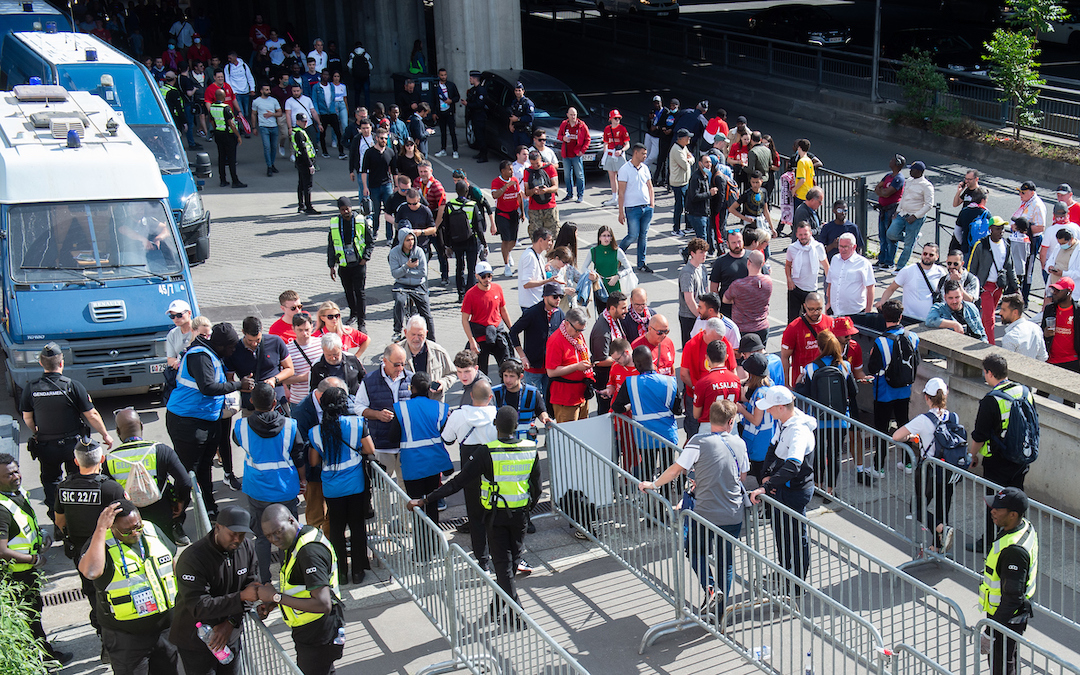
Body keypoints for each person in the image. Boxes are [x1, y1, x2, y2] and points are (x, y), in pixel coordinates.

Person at [640, 400, 747, 610]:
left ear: (709, 419)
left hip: (705, 513)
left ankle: (711, 588)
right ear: (731, 422)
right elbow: (741, 476)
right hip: (733, 511)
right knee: (726, 560)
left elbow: (675, 470)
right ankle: (720, 607)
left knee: (695, 551)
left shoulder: (698, 441)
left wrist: (652, 484)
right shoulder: (739, 443)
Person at [167, 323, 253, 520]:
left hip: (206, 420)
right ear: (222, 345)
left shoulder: (212, 354)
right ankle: (175, 519)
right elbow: (207, 387)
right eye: (231, 348)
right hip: (187, 422)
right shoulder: (199, 355)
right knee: (186, 473)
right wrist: (240, 385)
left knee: (205, 467)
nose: (232, 352)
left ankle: (209, 508)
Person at [20, 342, 113, 523]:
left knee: (51, 483)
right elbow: (91, 414)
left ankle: (57, 520)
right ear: (61, 363)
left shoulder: (31, 388)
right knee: (78, 480)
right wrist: (105, 435)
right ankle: (78, 518)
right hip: (73, 446)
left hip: (46, 446)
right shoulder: (73, 385)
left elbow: (27, 418)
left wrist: (37, 432)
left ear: (40, 362)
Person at [50, 439, 126, 647]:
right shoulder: (111, 488)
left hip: (81, 553)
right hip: (110, 551)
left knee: (93, 594)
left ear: (76, 461)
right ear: (102, 459)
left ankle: (104, 638)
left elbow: (59, 521)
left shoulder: (64, 487)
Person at [257, 504, 346, 675]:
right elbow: (300, 585)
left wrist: (276, 597)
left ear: (291, 520)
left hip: (318, 631)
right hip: (311, 630)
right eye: (269, 536)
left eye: (278, 531)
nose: (275, 539)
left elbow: (323, 604)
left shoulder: (308, 552)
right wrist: (275, 604)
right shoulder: (295, 539)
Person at [170, 506, 261, 675]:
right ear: (217, 527)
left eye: (241, 535)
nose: (237, 539)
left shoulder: (246, 547)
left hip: (229, 637)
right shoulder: (192, 558)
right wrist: (240, 596)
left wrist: (230, 623)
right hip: (195, 641)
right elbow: (199, 606)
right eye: (232, 533)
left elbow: (253, 587)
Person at [232, 383, 305, 583]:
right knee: (288, 536)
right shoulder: (290, 425)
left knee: (262, 537)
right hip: (285, 490)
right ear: (275, 402)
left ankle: (264, 579)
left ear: (252, 401)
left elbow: (238, 441)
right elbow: (298, 456)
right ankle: (288, 576)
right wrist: (303, 479)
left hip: (257, 491)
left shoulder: (241, 426)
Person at [967, 354, 1039, 554]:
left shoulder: (991, 400)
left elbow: (979, 435)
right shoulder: (1025, 391)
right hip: (1021, 457)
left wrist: (973, 456)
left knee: (995, 503)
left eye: (985, 371)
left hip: (997, 460)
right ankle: (1018, 537)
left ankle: (990, 541)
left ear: (990, 373)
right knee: (1017, 499)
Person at [747, 386, 817, 586]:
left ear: (780, 407)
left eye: (770, 408)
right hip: (783, 487)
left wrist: (766, 487)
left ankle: (797, 583)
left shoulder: (798, 430)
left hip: (795, 490)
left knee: (795, 536)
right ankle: (785, 570)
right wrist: (767, 478)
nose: (767, 411)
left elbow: (793, 465)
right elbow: (772, 448)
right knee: (780, 531)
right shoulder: (784, 421)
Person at [308, 386, 373, 585]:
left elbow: (313, 462)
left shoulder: (315, 432)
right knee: (357, 526)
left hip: (331, 487)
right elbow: (370, 449)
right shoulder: (357, 423)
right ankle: (358, 570)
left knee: (336, 529)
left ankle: (341, 573)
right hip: (355, 485)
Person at [891, 378, 960, 553]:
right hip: (949, 470)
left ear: (926, 398)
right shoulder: (953, 417)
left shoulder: (923, 420)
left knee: (918, 507)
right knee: (942, 508)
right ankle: (937, 546)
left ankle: (942, 530)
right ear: (946, 395)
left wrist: (911, 437)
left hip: (929, 470)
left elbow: (896, 436)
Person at [108, 408, 192, 546]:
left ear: (117, 431)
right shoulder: (161, 450)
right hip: (163, 512)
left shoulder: (110, 459)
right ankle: (176, 528)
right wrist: (180, 504)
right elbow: (185, 482)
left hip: (130, 520)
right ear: (141, 426)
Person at [978, 487, 1038, 675]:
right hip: (1007, 614)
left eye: (998, 509)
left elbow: (1012, 597)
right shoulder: (1023, 526)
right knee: (1006, 659)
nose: (992, 511)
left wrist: (991, 631)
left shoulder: (1013, 550)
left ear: (1013, 515)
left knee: (1002, 665)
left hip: (1005, 616)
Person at [795, 331, 860, 498]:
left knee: (817, 453)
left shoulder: (811, 368)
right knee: (835, 454)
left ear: (819, 346)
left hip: (818, 419)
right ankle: (830, 491)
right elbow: (854, 391)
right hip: (840, 419)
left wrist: (797, 384)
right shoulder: (844, 366)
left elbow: (807, 393)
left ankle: (818, 485)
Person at [865, 299, 918, 478]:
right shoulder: (913, 337)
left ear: (883, 317)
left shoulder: (881, 341)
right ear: (901, 316)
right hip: (905, 389)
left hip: (884, 392)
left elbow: (873, 368)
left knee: (881, 428)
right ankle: (908, 462)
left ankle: (879, 467)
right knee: (904, 424)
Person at [394, 373, 452, 525]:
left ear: (411, 388)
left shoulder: (401, 408)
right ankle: (435, 543)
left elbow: (392, 437)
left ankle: (422, 545)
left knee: (416, 506)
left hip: (411, 466)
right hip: (433, 465)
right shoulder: (440, 408)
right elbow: (447, 436)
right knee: (431, 504)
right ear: (429, 388)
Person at [357, 344, 412, 485]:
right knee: (382, 486)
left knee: (406, 485)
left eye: (403, 364)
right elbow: (358, 407)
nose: (400, 369)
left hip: (406, 444)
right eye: (397, 365)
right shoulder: (369, 381)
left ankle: (405, 509)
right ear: (385, 361)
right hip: (382, 445)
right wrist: (377, 414)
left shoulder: (411, 378)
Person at [510, 282, 565, 393]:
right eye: (555, 296)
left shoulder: (560, 313)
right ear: (545, 297)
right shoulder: (532, 313)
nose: (558, 299)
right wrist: (522, 356)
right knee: (533, 398)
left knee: (547, 399)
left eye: (560, 296)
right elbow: (513, 332)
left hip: (551, 367)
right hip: (533, 366)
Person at [461, 261, 512, 375]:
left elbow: (503, 310)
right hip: (481, 336)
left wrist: (511, 329)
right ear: (477, 276)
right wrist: (472, 341)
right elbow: (464, 319)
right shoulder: (470, 294)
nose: (487, 279)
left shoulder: (497, 288)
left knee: (507, 367)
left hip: (497, 332)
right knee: (481, 372)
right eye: (483, 276)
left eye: (489, 276)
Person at [883, 161, 935, 270]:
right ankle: (914, 238)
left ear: (919, 172)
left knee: (908, 245)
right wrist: (897, 211)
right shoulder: (909, 181)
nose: (910, 171)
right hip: (903, 213)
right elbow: (904, 197)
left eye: (913, 170)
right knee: (891, 234)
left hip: (915, 217)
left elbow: (929, 204)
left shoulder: (927, 185)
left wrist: (915, 216)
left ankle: (900, 267)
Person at [876, 243, 946, 322]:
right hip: (909, 318)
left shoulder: (940, 272)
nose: (927, 256)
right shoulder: (908, 270)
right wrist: (882, 302)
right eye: (925, 253)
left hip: (930, 319)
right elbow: (891, 288)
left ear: (937, 257)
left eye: (931, 255)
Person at [546, 308, 593, 423]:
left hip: (581, 394)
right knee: (568, 436)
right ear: (567, 324)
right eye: (577, 330)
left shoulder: (577, 336)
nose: (579, 333)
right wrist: (576, 367)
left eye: (582, 330)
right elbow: (551, 372)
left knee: (582, 433)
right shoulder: (556, 341)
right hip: (565, 398)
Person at [446, 181, 488, 303]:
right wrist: (484, 244)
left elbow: (446, 226)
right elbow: (479, 228)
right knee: (471, 268)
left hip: (456, 240)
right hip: (471, 240)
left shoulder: (450, 205)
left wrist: (448, 244)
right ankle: (470, 294)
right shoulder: (472, 205)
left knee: (459, 266)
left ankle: (460, 294)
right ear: (467, 191)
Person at [779, 292, 834, 386]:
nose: (816, 313)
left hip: (825, 378)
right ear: (804, 306)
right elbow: (785, 357)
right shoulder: (793, 327)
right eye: (811, 309)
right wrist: (787, 385)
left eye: (819, 309)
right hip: (803, 381)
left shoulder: (830, 322)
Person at [389, 230, 435, 341]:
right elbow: (395, 274)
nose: (411, 242)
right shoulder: (394, 253)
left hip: (418, 284)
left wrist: (404, 272)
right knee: (399, 301)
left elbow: (423, 273)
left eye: (412, 239)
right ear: (402, 241)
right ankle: (397, 331)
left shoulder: (419, 251)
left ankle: (431, 339)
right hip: (401, 284)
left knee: (426, 312)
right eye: (408, 240)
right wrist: (407, 266)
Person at [618, 143, 656, 273]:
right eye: (643, 153)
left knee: (643, 236)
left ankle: (641, 263)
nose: (645, 156)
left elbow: (650, 186)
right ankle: (616, 255)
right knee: (632, 235)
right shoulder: (624, 169)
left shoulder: (645, 168)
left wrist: (652, 204)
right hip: (632, 208)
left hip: (646, 208)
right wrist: (620, 212)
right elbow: (621, 192)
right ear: (636, 153)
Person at [402, 316, 457, 403]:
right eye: (413, 334)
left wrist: (443, 383)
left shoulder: (439, 352)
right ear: (405, 332)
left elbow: (452, 374)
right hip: (407, 406)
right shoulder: (396, 352)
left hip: (433, 405)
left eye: (420, 335)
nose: (416, 339)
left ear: (426, 333)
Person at [589, 292, 628, 415]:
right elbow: (600, 361)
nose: (626, 311)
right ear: (612, 308)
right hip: (604, 380)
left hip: (612, 378)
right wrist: (624, 358)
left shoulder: (612, 319)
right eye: (623, 308)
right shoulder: (603, 331)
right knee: (606, 413)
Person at [692, 340, 742, 435]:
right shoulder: (735, 380)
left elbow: (696, 414)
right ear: (726, 357)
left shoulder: (703, 383)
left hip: (709, 428)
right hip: (731, 427)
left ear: (707, 358)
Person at [724, 250, 772, 344]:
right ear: (762, 264)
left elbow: (725, 299)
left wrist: (736, 300)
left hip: (742, 328)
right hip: (762, 326)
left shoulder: (738, 285)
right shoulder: (768, 281)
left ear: (748, 262)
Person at [785, 221, 829, 322]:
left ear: (810, 233)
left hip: (811, 289)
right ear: (796, 235)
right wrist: (789, 279)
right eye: (800, 235)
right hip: (795, 288)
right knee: (793, 320)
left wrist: (829, 286)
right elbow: (788, 265)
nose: (803, 237)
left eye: (805, 234)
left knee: (812, 319)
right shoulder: (792, 248)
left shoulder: (818, 247)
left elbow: (826, 267)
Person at [825, 233, 874, 317]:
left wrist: (868, 311)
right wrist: (829, 303)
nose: (842, 249)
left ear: (854, 247)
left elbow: (870, 287)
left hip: (855, 312)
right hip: (835, 311)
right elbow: (831, 282)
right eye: (840, 246)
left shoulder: (863, 263)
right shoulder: (834, 259)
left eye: (846, 247)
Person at [491, 160, 525, 275]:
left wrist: (522, 212)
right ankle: (506, 266)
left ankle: (508, 253)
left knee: (513, 241)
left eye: (512, 169)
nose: (512, 171)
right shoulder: (496, 182)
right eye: (509, 169)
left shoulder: (515, 180)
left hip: (514, 213)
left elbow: (519, 196)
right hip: (502, 213)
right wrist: (505, 187)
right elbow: (495, 195)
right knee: (505, 240)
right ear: (503, 171)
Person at [1042, 276, 1080, 373]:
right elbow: (1040, 333)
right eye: (1053, 289)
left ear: (1069, 292)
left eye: (1058, 291)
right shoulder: (1049, 309)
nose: (1054, 293)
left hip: (1072, 362)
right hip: (1050, 361)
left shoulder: (1077, 312)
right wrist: (1044, 334)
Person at [209, 89, 245, 189]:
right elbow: (231, 124)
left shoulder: (212, 107)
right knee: (231, 159)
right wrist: (238, 135)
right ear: (223, 96)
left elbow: (212, 121)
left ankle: (223, 180)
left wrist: (217, 128)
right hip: (228, 135)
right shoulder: (226, 108)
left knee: (221, 157)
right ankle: (235, 181)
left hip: (218, 134)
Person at [999, 293, 1048, 361]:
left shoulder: (1010, 337)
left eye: (1004, 310)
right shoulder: (1036, 328)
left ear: (1015, 312)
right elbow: (1043, 357)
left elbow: (1006, 365)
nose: (1000, 313)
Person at [678, 238, 709, 344]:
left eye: (705, 252)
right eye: (701, 252)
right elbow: (689, 299)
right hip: (689, 317)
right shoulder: (687, 272)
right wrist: (701, 316)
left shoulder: (703, 268)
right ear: (692, 253)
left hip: (701, 314)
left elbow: (706, 291)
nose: (704, 254)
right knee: (690, 347)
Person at [523, 150, 559, 237]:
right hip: (534, 209)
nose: (535, 166)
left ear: (540, 159)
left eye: (537, 163)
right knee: (536, 236)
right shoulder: (527, 171)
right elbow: (527, 192)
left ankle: (550, 251)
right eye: (533, 164)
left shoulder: (549, 168)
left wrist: (546, 190)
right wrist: (533, 191)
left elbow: (555, 187)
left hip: (550, 207)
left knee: (553, 235)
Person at [558, 107, 589, 202]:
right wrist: (563, 138)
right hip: (566, 154)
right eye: (571, 115)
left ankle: (580, 195)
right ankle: (569, 194)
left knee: (579, 175)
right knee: (567, 175)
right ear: (567, 115)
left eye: (574, 114)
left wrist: (582, 151)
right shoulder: (564, 124)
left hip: (576, 154)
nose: (573, 116)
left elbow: (587, 139)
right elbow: (559, 136)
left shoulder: (582, 125)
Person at [669, 129, 694, 236]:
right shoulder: (676, 150)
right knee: (679, 206)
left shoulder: (684, 147)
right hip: (678, 183)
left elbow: (692, 158)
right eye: (687, 137)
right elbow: (685, 165)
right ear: (681, 138)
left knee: (687, 205)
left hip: (685, 181)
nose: (689, 139)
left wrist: (690, 159)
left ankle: (688, 226)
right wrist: (689, 160)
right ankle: (676, 229)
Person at [292, 113, 318, 214]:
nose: (305, 123)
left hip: (300, 161)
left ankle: (301, 206)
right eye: (303, 121)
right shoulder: (299, 133)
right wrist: (310, 165)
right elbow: (303, 150)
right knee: (307, 185)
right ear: (297, 121)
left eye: (306, 121)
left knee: (302, 184)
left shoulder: (298, 131)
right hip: (304, 162)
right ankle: (308, 207)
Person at [466, 71, 488, 163]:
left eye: (471, 78)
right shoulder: (473, 90)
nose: (470, 80)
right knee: (477, 136)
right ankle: (480, 153)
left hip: (480, 116)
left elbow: (479, 104)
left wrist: (468, 104)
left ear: (475, 78)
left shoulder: (481, 90)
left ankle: (484, 156)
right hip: (474, 116)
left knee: (481, 136)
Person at [508, 81, 534, 148]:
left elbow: (530, 118)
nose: (517, 92)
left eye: (519, 90)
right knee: (516, 150)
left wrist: (518, 119)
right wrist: (511, 124)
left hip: (524, 131)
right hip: (516, 130)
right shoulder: (515, 102)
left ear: (523, 91)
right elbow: (512, 114)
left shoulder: (528, 103)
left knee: (524, 149)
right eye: (516, 90)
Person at [792, 139, 815, 211]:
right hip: (809, 192)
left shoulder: (801, 162)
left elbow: (802, 179)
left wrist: (794, 189)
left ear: (799, 147)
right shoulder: (809, 160)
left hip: (801, 194)